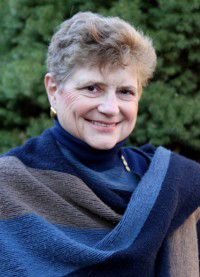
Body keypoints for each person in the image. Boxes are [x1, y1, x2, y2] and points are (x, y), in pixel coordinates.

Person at [0, 11, 199, 277]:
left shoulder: (177, 185)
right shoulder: (9, 186)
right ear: (53, 90)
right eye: (92, 88)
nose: (110, 108)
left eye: (125, 92)